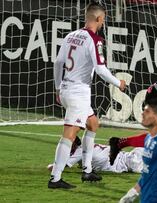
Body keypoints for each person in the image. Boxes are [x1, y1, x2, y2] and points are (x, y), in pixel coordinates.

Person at [49, 2, 126, 189]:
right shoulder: (95, 39)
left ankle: (87, 170)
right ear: (99, 18)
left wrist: (59, 88)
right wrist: (118, 83)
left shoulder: (70, 36)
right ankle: (55, 178)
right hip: (78, 93)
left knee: (93, 123)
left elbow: (58, 63)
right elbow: (100, 69)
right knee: (69, 134)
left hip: (68, 89)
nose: (103, 23)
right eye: (103, 19)